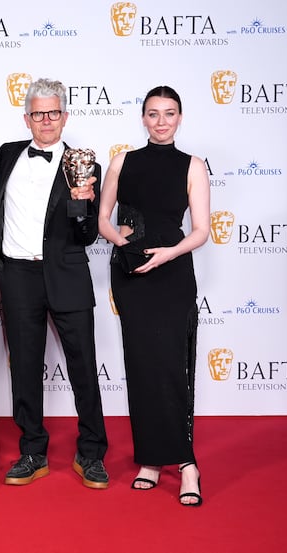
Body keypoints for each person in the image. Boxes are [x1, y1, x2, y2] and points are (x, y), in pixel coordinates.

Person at [0, 78, 109, 489]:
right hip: (18, 275)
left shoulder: (85, 164)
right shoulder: (6, 156)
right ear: (26, 118)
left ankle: (91, 452)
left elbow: (88, 234)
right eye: (38, 113)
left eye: (53, 112)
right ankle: (32, 450)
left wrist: (81, 202)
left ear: (65, 116)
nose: (46, 121)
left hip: (67, 272)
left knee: (84, 366)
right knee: (23, 367)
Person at [98, 85, 210, 506]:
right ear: (142, 118)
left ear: (180, 118)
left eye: (169, 113)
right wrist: (123, 245)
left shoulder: (193, 165)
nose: (161, 121)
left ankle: (186, 463)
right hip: (130, 274)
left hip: (172, 272)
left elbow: (200, 231)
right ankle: (149, 459)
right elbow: (102, 220)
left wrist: (167, 254)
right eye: (153, 113)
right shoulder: (122, 161)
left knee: (173, 366)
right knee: (141, 365)